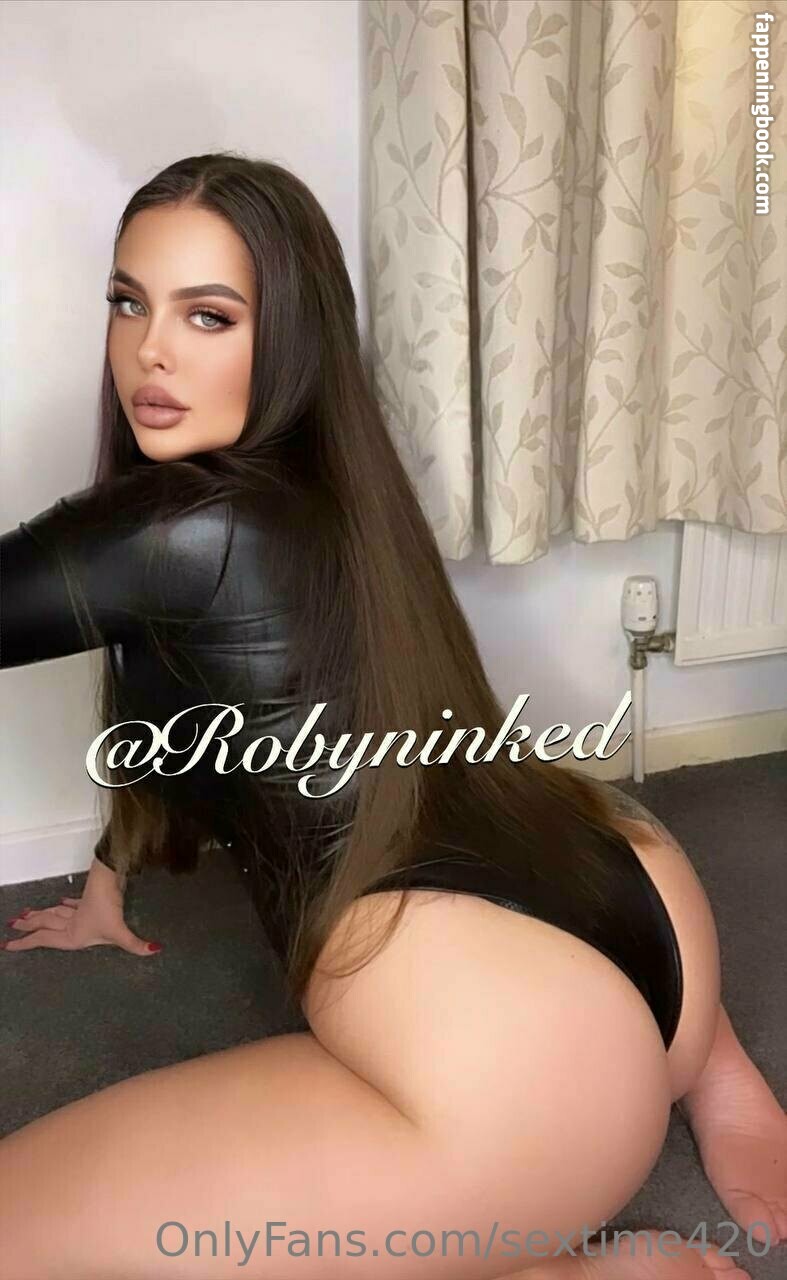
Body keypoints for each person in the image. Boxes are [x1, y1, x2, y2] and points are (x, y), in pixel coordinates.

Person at [0, 153, 783, 1280]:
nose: (149, 351)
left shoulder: (180, 525)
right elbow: (180, 725)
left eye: (207, 315)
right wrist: (105, 887)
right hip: (637, 890)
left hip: (528, 1078)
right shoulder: (337, 482)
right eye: (129, 303)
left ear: (288, 337)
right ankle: (708, 1070)